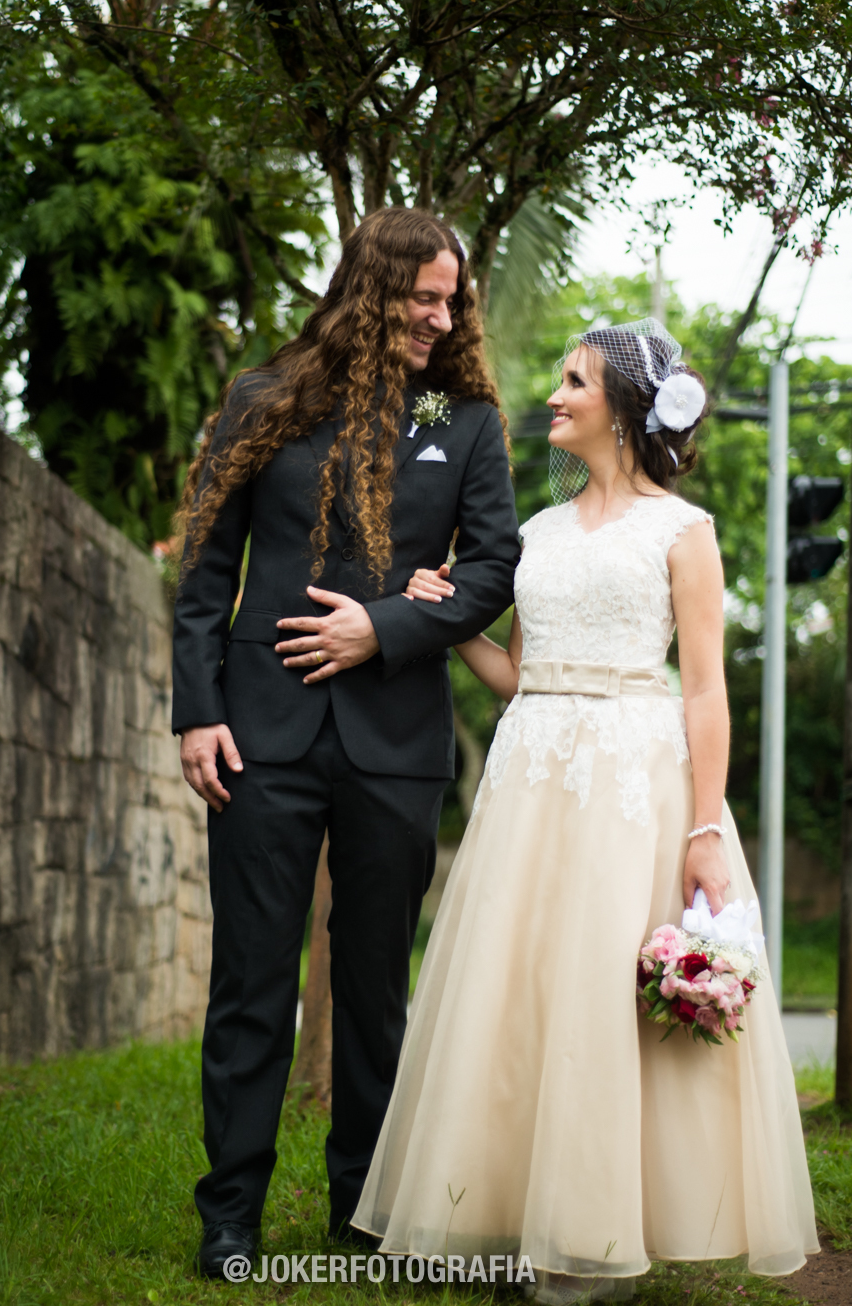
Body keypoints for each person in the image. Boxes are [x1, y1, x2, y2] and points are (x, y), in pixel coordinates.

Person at [353, 319, 818, 1303]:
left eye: (573, 381)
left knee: (609, 1003)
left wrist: (704, 829)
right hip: (532, 778)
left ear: (622, 409)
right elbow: (520, 677)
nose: (554, 396)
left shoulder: (682, 533)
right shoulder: (535, 535)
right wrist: (449, 621)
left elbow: (703, 692)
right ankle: (513, 1210)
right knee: (519, 992)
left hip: (631, 784)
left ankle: (597, 1228)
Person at [171, 208, 521, 1277]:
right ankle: (229, 1217)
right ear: (371, 290)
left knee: (375, 988)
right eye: (423, 297)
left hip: (397, 742)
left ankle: (363, 1212)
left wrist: (388, 626)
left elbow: (495, 567)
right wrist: (197, 710)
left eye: (450, 297)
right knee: (250, 983)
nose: (442, 315)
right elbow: (201, 571)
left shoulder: (463, 421)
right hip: (259, 738)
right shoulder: (264, 399)